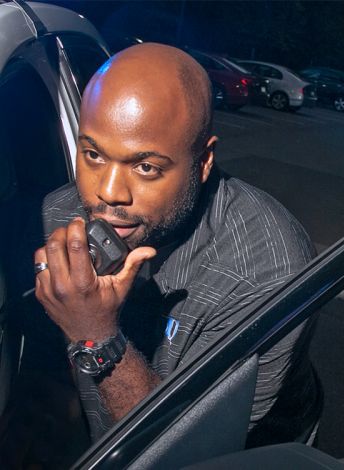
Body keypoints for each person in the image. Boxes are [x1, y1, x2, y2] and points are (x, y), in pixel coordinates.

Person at [32, 43, 322, 445]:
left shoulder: (267, 270)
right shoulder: (61, 213)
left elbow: (190, 448)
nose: (108, 193)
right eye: (93, 155)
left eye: (145, 167)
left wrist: (97, 337)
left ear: (203, 162)